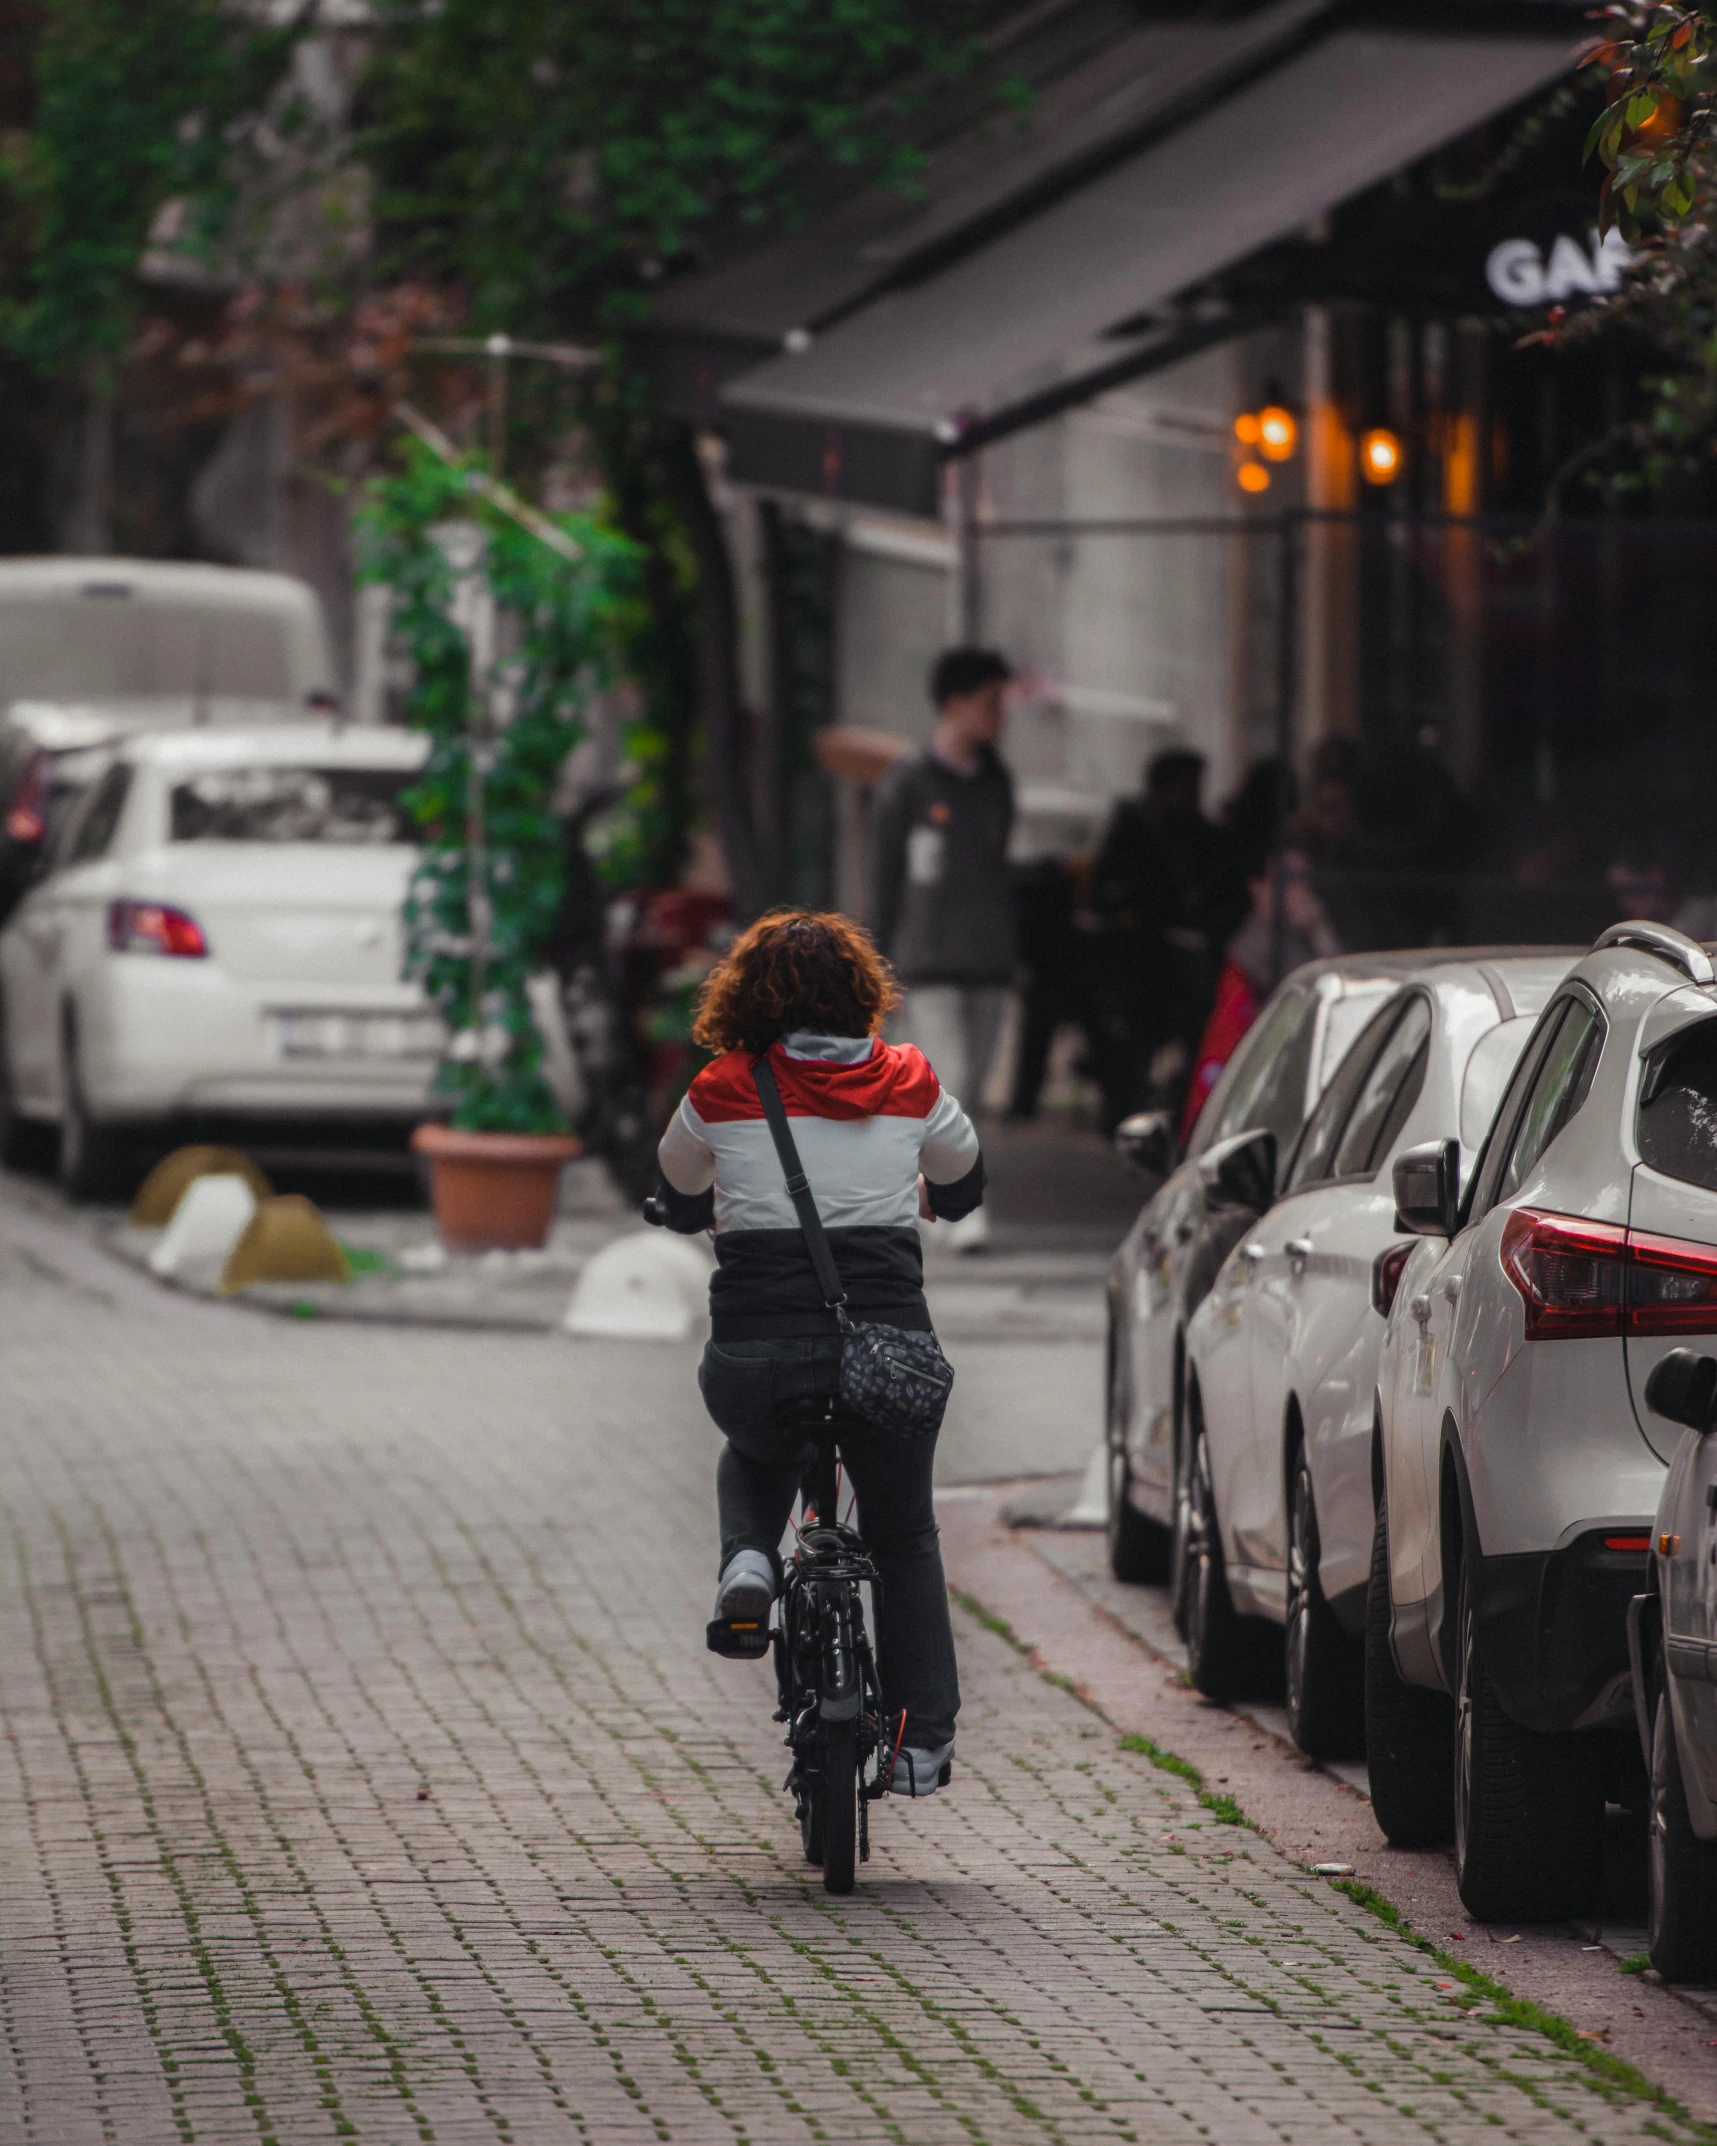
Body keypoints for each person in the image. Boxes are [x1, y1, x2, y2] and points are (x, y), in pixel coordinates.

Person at [650, 909, 984, 1796]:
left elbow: (677, 1192)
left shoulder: (722, 1088)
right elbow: (964, 1183)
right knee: (904, 1531)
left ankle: (749, 1561)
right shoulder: (910, 1080)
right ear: (862, 993)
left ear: (747, 995)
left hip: (757, 1354)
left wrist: (703, 1207)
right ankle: (921, 1745)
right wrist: (920, 1193)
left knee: (754, 1447)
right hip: (890, 1356)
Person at [865, 647, 1014, 1248]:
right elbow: (882, 885)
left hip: (990, 961)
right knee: (947, 1085)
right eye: (991, 703)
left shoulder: (997, 780)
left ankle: (917, 1193)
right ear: (955, 704)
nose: (1000, 716)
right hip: (927, 965)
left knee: (971, 1089)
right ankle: (961, 1208)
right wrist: (875, 972)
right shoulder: (906, 785)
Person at [1088, 748, 1227, 1130]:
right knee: (1133, 1042)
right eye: (1187, 788)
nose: (1194, 797)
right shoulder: (1135, 828)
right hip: (1139, 958)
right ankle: (1123, 1116)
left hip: (1182, 959)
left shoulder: (1199, 834)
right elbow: (1108, 891)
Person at [1180, 845, 1341, 1143]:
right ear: (1261, 887)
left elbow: (1344, 981)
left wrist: (1318, 929)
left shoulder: (1308, 936)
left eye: (1304, 880)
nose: (1298, 890)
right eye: (1289, 880)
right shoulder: (1251, 949)